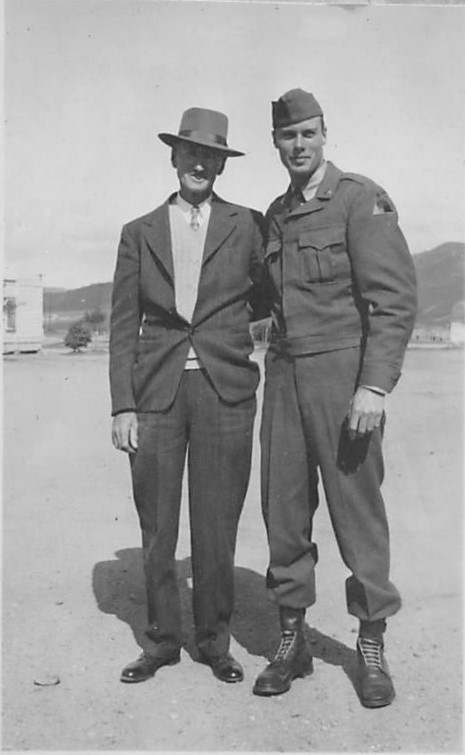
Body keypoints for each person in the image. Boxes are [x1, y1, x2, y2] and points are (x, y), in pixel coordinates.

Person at [253, 89, 417, 708]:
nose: (299, 145)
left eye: (308, 134)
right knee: (283, 512)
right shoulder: (276, 212)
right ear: (275, 143)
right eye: (288, 137)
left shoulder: (357, 200)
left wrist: (374, 385)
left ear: (325, 136)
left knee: (357, 515)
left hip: (344, 378)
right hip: (285, 378)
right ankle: (291, 639)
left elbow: (394, 301)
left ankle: (370, 643)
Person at [109, 106, 265, 685]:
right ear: (174, 157)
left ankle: (213, 641)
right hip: (157, 392)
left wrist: (235, 343)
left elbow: (268, 300)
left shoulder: (247, 225)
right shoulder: (139, 232)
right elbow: (124, 322)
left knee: (217, 522)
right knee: (158, 525)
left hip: (225, 390)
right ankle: (162, 641)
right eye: (190, 152)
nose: (200, 163)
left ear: (221, 165)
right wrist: (123, 403)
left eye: (211, 156)